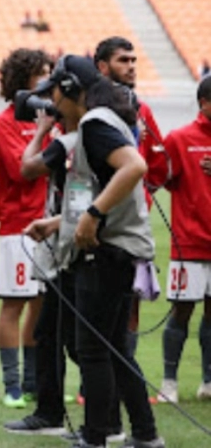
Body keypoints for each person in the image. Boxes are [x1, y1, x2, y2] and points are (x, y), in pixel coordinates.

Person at [24, 59, 163, 448]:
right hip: (121, 249)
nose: (51, 100)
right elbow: (111, 179)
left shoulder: (93, 123)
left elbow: (133, 166)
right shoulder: (105, 121)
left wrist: (92, 215)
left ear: (69, 88)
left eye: (54, 90)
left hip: (106, 254)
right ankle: (146, 435)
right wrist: (57, 224)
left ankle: (97, 438)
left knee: (93, 350)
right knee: (115, 349)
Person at [3, 59, 91, 436]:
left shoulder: (70, 141)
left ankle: (90, 419)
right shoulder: (90, 136)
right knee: (53, 332)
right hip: (69, 243)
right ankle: (57, 412)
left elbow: (27, 167)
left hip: (68, 247)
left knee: (67, 336)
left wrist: (40, 132)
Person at [94, 36, 167, 357]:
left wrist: (142, 197)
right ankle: (93, 381)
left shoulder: (142, 110)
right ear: (102, 66)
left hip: (133, 222)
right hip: (95, 219)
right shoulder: (91, 110)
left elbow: (160, 166)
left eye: (134, 60)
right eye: (123, 60)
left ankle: (125, 375)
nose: (131, 66)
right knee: (96, 298)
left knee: (131, 298)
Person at [0, 49, 52, 408]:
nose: (47, 81)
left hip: (49, 224)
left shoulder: (52, 118)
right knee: (14, 302)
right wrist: (53, 146)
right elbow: (20, 169)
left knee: (42, 305)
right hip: (19, 224)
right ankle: (12, 384)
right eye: (40, 74)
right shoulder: (5, 122)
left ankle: (33, 382)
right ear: (22, 79)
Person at [157, 76, 211, 403]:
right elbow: (163, 178)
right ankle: (169, 382)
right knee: (181, 311)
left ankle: (207, 381)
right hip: (188, 244)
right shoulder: (179, 139)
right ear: (204, 102)